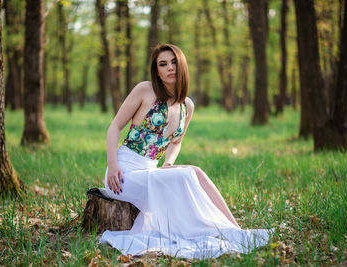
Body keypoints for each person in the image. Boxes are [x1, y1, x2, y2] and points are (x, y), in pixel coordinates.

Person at [99, 44, 272, 259]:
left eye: (174, 62)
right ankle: (225, 230)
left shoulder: (186, 106)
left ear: (182, 66)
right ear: (157, 70)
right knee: (188, 175)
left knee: (196, 172)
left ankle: (234, 229)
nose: (170, 67)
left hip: (152, 170)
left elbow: (176, 142)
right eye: (163, 64)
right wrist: (113, 164)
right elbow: (114, 126)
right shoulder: (145, 90)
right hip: (124, 172)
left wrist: (169, 163)